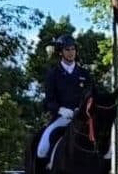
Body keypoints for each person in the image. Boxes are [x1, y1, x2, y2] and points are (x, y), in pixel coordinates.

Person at [36, 34, 95, 162]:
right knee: (42, 148)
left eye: (73, 49)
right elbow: (49, 100)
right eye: (67, 50)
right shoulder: (53, 74)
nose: (71, 52)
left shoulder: (85, 74)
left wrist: (83, 110)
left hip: (82, 118)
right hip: (61, 118)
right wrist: (60, 110)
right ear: (61, 52)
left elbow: (91, 97)